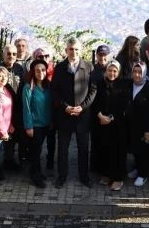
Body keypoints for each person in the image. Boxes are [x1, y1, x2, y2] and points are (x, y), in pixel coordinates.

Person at [51, 37, 97, 188]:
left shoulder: (89, 67)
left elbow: (93, 90)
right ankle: (62, 176)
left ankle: (84, 177)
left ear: (81, 50)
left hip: (82, 116)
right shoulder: (60, 67)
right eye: (71, 49)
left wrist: (82, 107)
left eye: (77, 49)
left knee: (83, 147)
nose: (74, 52)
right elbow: (54, 91)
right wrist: (65, 107)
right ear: (66, 50)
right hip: (64, 115)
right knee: (62, 148)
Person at [93, 59, 129, 191]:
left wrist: (111, 117)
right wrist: (99, 115)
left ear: (118, 72)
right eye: (110, 70)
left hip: (118, 124)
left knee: (117, 151)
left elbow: (124, 105)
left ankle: (118, 178)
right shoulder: (100, 83)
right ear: (105, 71)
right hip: (102, 122)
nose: (112, 73)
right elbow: (95, 102)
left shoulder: (123, 85)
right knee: (105, 149)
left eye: (115, 71)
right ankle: (107, 174)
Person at [0, 43, 26, 170]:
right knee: (2, 138)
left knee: (16, 136)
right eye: (8, 54)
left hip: (18, 108)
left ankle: (11, 161)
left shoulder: (19, 68)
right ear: (3, 54)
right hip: (3, 110)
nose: (11, 56)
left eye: (14, 54)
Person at [22, 59, 52, 188]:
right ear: (33, 72)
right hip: (35, 126)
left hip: (46, 124)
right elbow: (26, 108)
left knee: (39, 149)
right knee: (36, 151)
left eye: (43, 70)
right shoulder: (29, 87)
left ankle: (36, 171)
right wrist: (28, 126)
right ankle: (36, 176)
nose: (40, 72)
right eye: (37, 70)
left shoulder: (48, 86)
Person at [126, 63, 149, 186]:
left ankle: (143, 174)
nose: (137, 74)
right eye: (135, 71)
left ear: (144, 73)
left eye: (139, 72)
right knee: (135, 149)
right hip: (132, 124)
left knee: (143, 150)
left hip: (145, 126)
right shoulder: (129, 84)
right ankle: (137, 169)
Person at [90, 44, 112, 175]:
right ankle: (94, 166)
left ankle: (106, 167)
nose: (102, 57)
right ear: (97, 55)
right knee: (95, 140)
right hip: (95, 111)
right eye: (100, 55)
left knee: (108, 142)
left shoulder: (112, 69)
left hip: (109, 112)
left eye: (105, 55)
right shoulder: (92, 70)